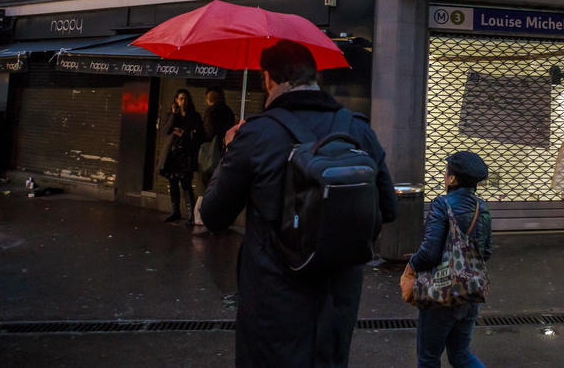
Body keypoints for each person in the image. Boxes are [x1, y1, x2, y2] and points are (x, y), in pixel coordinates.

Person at [200, 39, 398, 367]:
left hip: (271, 301)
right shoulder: (357, 128)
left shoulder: (257, 133)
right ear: (314, 75)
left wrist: (230, 149)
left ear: (267, 79)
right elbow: (388, 208)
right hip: (337, 300)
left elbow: (213, 215)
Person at [402, 151, 493, 368]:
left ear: (452, 178)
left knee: (428, 358)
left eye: (446, 172)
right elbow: (485, 252)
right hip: (470, 292)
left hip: (441, 296)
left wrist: (412, 264)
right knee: (461, 356)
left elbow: (429, 254)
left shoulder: (442, 205)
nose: (444, 176)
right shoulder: (483, 207)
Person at [191, 86, 237, 233]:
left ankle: (200, 218)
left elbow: (208, 133)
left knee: (203, 186)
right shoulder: (228, 111)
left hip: (211, 155)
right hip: (225, 153)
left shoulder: (211, 112)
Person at [157, 89, 205, 223]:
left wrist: (184, 134)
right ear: (176, 100)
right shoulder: (172, 114)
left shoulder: (194, 116)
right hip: (172, 153)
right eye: (180, 99)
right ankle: (175, 211)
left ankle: (191, 214)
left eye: (184, 99)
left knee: (186, 183)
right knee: (173, 182)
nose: (182, 101)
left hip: (186, 153)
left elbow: (199, 134)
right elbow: (165, 130)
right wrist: (173, 115)